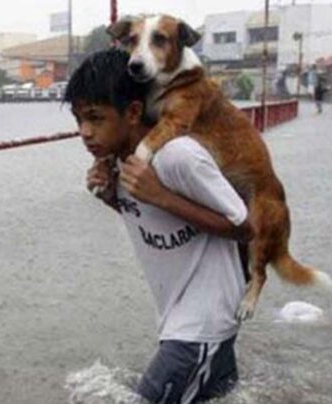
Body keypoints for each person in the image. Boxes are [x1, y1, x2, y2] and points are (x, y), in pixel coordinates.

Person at [64, 49, 253, 404]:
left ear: (133, 112)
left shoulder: (177, 156)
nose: (85, 132)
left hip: (202, 325)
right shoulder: (119, 165)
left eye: (95, 118)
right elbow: (157, 223)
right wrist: (112, 198)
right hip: (182, 321)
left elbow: (245, 225)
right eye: (79, 120)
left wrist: (161, 195)